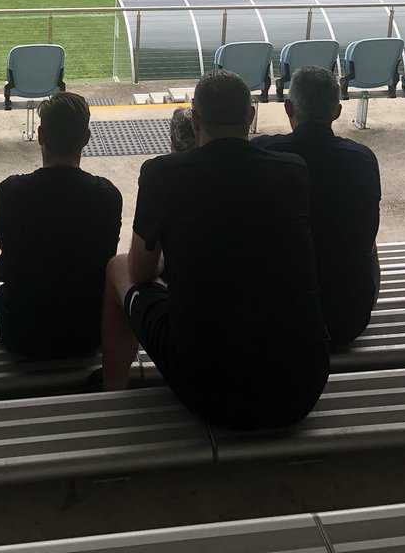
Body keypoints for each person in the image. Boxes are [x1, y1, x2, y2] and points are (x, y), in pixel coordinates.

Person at [101, 70, 329, 430]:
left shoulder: (164, 173)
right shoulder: (293, 170)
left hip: (211, 391)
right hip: (304, 382)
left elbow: (141, 273)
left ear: (194, 120)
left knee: (118, 267)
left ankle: (111, 393)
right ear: (250, 115)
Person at [252, 67, 381, 348]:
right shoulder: (362, 159)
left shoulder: (261, 152)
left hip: (274, 318)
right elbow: (366, 237)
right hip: (347, 319)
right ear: (337, 111)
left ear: (288, 107)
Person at [0, 93, 122, 359]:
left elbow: (8, 247)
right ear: (86, 138)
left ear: (40, 135)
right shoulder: (107, 196)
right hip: (86, 334)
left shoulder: (10, 192)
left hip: (20, 332)